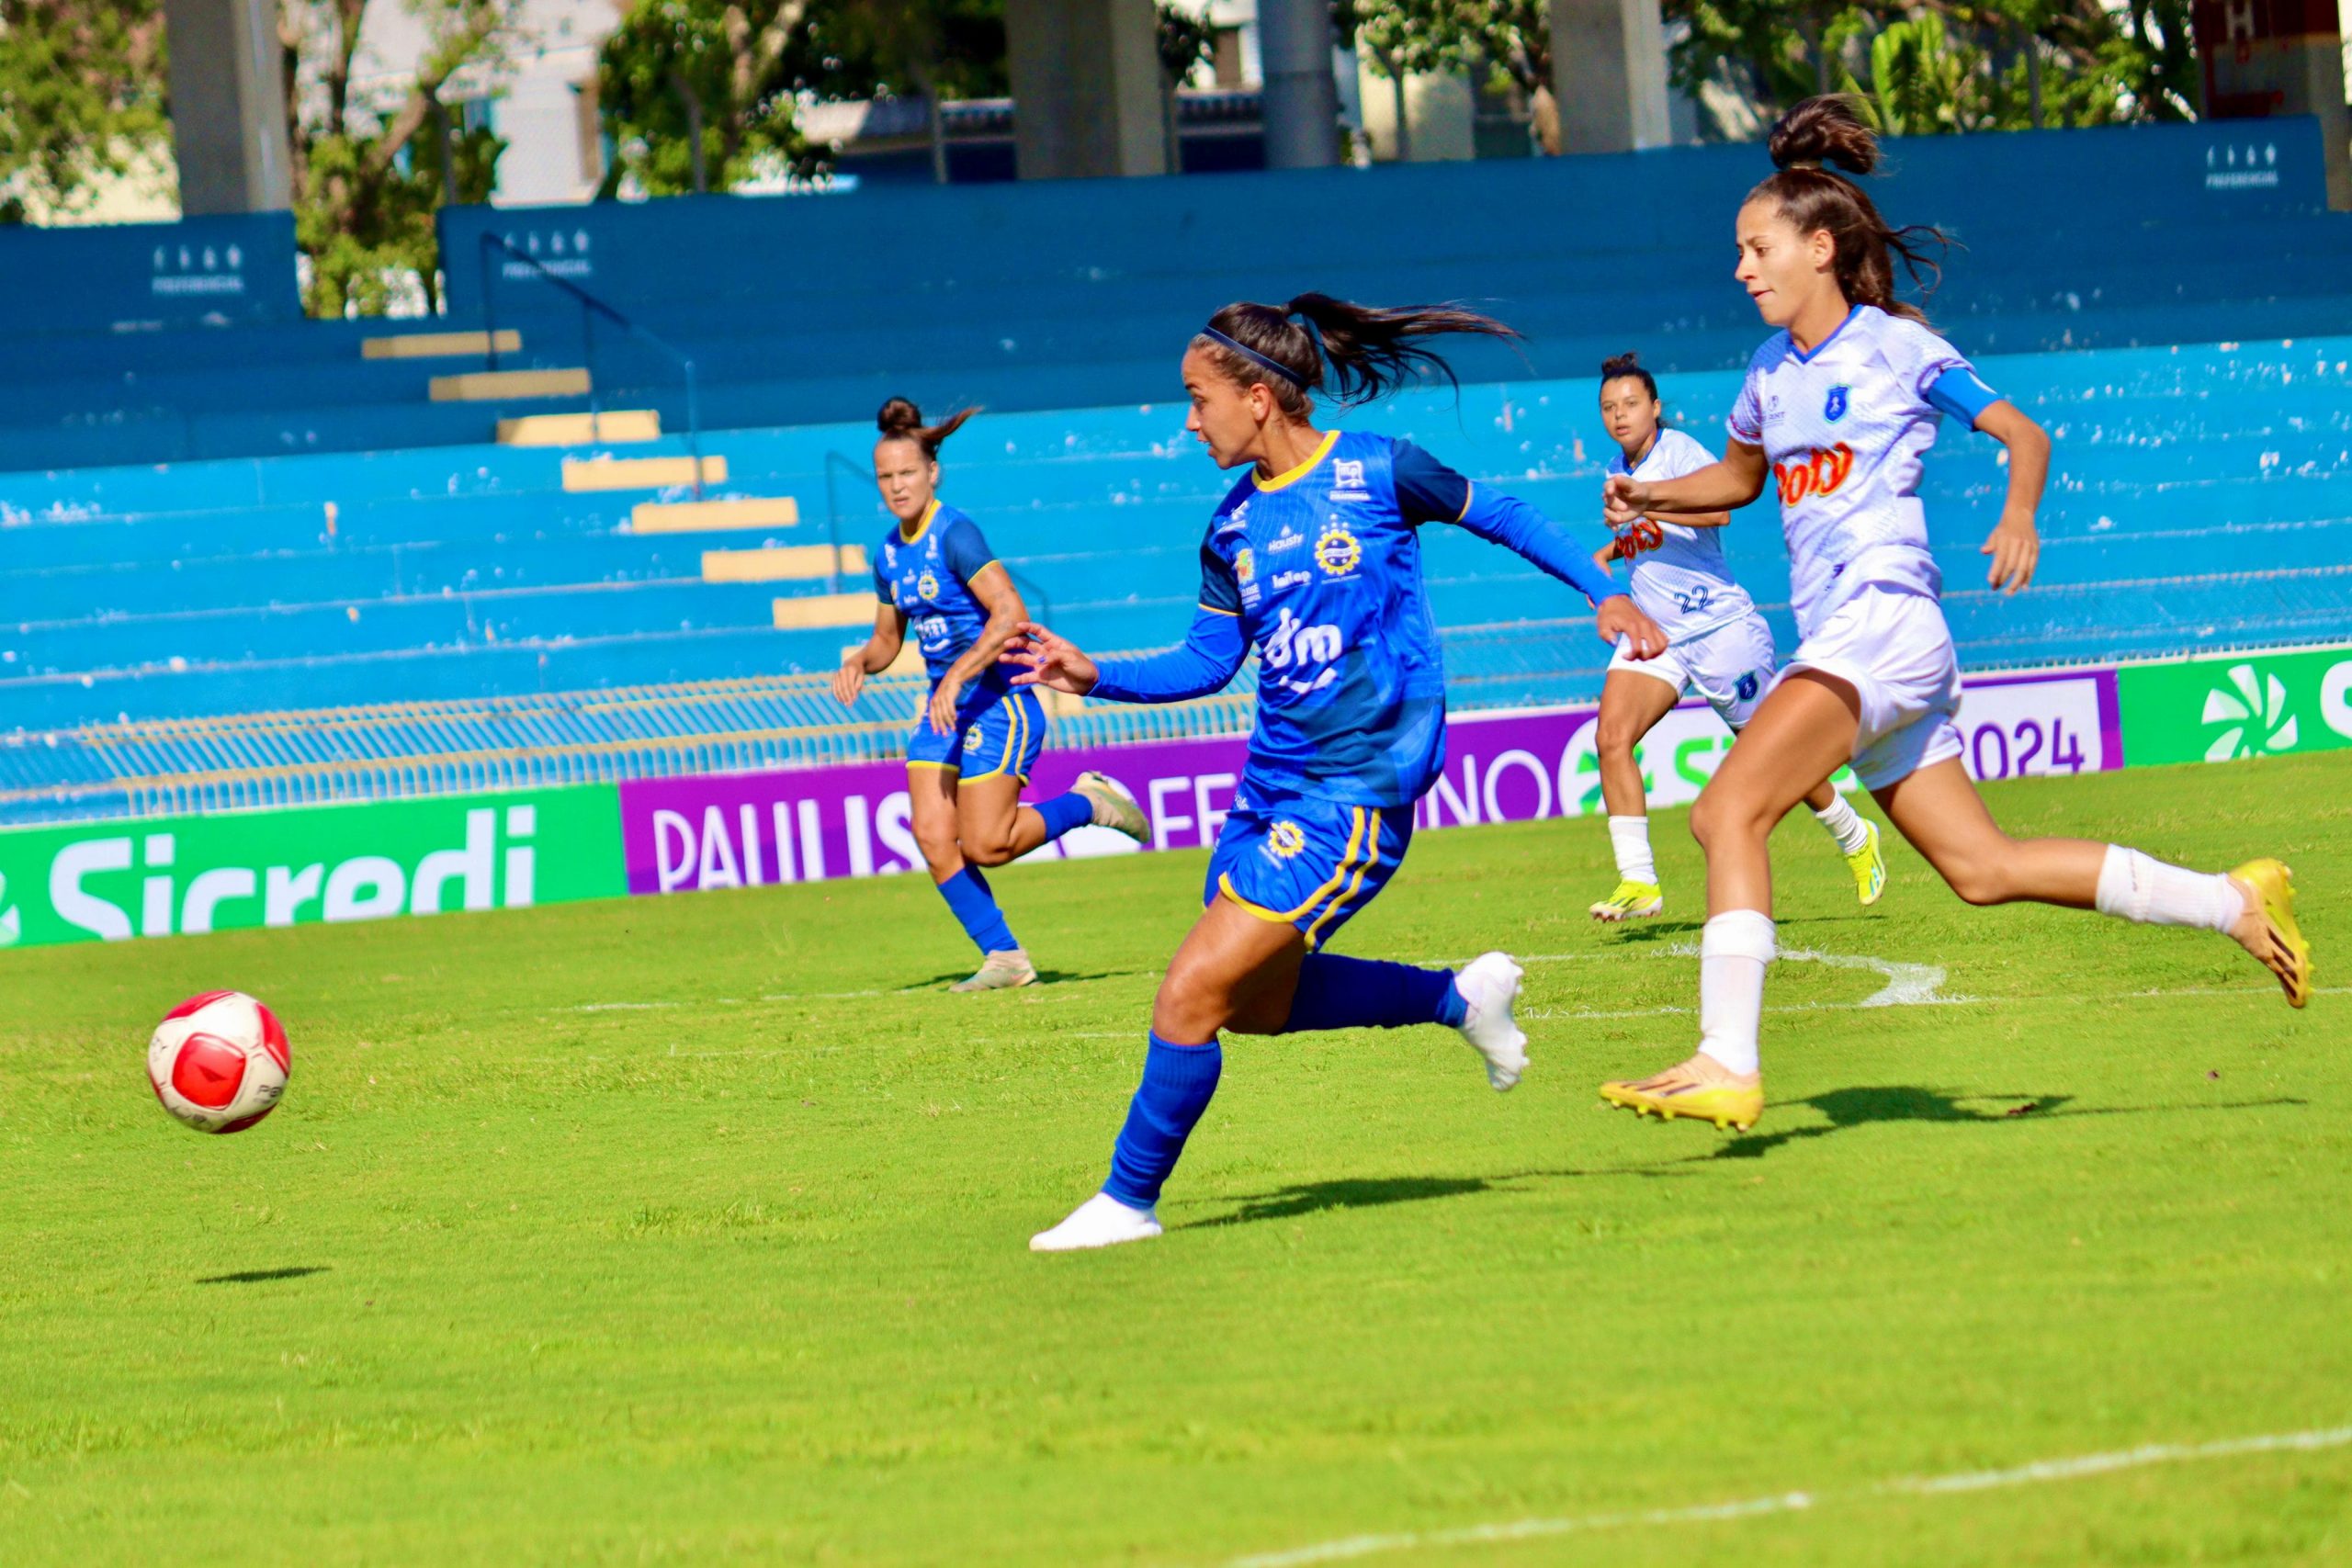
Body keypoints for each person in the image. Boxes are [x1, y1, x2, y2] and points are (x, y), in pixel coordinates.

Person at [1596, 97, 2312, 1134]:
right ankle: (2232, 902)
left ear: (1820, 247)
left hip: (1882, 621)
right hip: (1859, 640)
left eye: (1757, 249)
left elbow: (2021, 432)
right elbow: (1739, 481)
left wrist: (2018, 514)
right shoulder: (1764, 376)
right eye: (1738, 252)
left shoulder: (1890, 346)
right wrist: (1652, 497)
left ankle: (1725, 1059)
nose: (1742, 268)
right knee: (1982, 870)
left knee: (1725, 812)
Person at [1007, 294, 1669, 1251]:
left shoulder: (1380, 470)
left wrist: (1604, 593)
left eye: (1198, 399)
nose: (1188, 421)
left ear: (1257, 395)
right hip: (1265, 794)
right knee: (1257, 1007)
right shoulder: (1230, 527)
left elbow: (1506, 514)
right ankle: (1455, 998)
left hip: (1353, 794)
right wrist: (1093, 674)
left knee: (1189, 994)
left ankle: (1126, 1202)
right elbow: (1205, 663)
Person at [833, 397, 1148, 992]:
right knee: (930, 834)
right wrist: (859, 662)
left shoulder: (956, 534)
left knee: (987, 843)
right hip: (944, 706)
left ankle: (1088, 800)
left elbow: (1011, 614)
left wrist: (957, 675)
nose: (897, 486)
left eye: (907, 473)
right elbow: (886, 640)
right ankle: (1004, 955)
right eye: (885, 477)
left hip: (1000, 700)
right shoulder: (888, 554)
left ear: (932, 472)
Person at [1585, 350, 1885, 922]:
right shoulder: (1616, 468)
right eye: (1608, 408)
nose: (1619, 415)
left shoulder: (1679, 452)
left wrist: (1641, 513)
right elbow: (1647, 540)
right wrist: (1609, 550)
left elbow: (1719, 514)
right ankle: (1638, 881)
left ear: (1654, 408)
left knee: (1776, 756)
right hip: (1658, 632)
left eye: (1629, 404)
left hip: (1719, 630)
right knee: (1612, 737)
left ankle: (1853, 832)